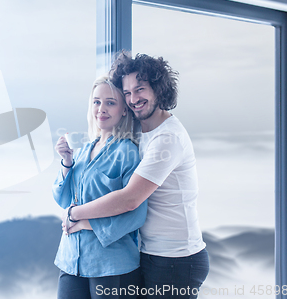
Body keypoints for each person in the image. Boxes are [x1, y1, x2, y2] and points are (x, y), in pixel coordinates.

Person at [66, 52, 209, 299]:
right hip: (148, 253)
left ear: (159, 89)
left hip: (176, 259)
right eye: (128, 92)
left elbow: (129, 199)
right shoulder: (139, 129)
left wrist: (74, 213)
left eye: (140, 89)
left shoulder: (167, 138)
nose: (133, 99)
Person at [53, 76, 148, 299]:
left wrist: (86, 224)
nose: (101, 109)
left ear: (124, 110)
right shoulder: (84, 150)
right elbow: (63, 199)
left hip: (112, 265)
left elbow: (136, 213)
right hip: (71, 259)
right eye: (96, 102)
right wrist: (67, 161)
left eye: (110, 102)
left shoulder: (128, 153)